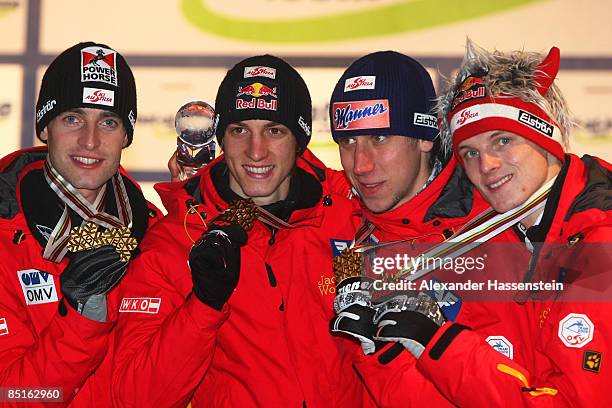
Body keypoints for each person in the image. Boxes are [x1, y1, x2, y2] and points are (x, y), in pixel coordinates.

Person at [359, 42, 612, 406]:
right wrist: (387, 356)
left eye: (503, 140)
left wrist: (441, 345)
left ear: (547, 140)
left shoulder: (598, 244)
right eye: (471, 152)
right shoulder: (506, 239)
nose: (487, 165)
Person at [111, 55, 372, 407]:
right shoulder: (177, 239)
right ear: (221, 137)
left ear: (299, 140)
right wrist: (203, 306)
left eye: (274, 130)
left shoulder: (349, 220)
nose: (255, 150)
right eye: (239, 130)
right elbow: (136, 398)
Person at [0, 42, 159, 406]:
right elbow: (12, 397)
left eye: (108, 122)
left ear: (126, 136)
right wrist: (81, 320)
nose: (90, 140)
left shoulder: (154, 234)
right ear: (45, 127)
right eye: (73, 118)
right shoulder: (4, 233)